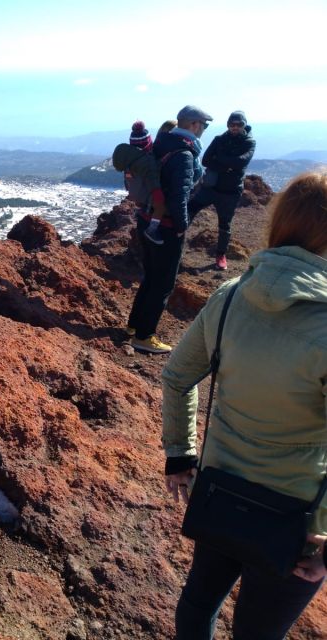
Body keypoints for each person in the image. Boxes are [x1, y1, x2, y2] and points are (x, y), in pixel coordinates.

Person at [161, 171, 327, 639]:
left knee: (197, 605)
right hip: (298, 523)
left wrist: (179, 454)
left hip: (221, 495)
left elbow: (176, 376)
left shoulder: (231, 296)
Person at [127, 105, 212, 354]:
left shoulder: (162, 142)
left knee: (151, 276)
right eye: (204, 126)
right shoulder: (184, 153)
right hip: (166, 226)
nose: (204, 130)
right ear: (194, 125)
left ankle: (134, 326)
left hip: (148, 218)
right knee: (163, 282)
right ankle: (144, 336)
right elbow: (180, 196)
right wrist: (181, 227)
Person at [187, 111, 256, 270]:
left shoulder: (249, 142)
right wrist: (229, 166)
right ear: (228, 125)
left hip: (230, 192)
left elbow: (241, 162)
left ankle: (221, 255)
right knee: (190, 209)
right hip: (210, 188)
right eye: (232, 124)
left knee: (225, 225)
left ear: (244, 125)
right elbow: (205, 160)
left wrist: (219, 159)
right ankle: (176, 240)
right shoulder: (220, 139)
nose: (235, 127)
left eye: (238, 124)